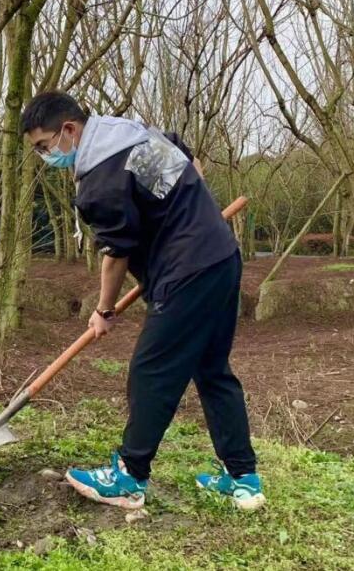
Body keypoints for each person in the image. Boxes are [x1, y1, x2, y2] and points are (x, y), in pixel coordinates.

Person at [19, 90, 264, 511]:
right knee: (211, 370)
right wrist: (190, 213)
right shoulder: (129, 135)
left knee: (152, 371)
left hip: (186, 271)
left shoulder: (98, 180)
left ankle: (130, 477)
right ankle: (243, 478)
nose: (46, 157)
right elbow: (187, 160)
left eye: (45, 146)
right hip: (222, 257)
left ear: (69, 129)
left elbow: (116, 253)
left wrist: (103, 311)